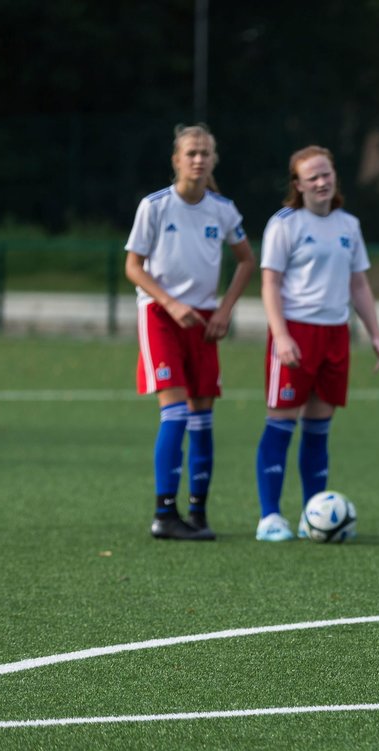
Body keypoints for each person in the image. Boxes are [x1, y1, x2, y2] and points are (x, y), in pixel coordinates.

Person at [125, 123, 257, 541]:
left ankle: (198, 514)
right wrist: (171, 303)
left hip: (203, 322)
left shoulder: (222, 209)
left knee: (203, 419)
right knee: (176, 413)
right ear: (176, 160)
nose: (198, 159)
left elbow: (246, 261)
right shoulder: (155, 206)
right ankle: (164, 513)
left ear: (213, 160)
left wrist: (224, 309)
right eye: (191, 153)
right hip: (162, 317)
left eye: (205, 153)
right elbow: (132, 266)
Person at [254, 145, 379, 541]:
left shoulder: (348, 224)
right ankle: (269, 517)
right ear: (298, 184)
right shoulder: (284, 223)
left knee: (318, 428)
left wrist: (376, 334)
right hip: (295, 332)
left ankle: (313, 514)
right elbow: (269, 283)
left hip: (335, 336)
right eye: (311, 176)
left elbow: (358, 284)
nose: (321, 182)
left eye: (326, 174)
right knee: (281, 423)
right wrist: (280, 335)